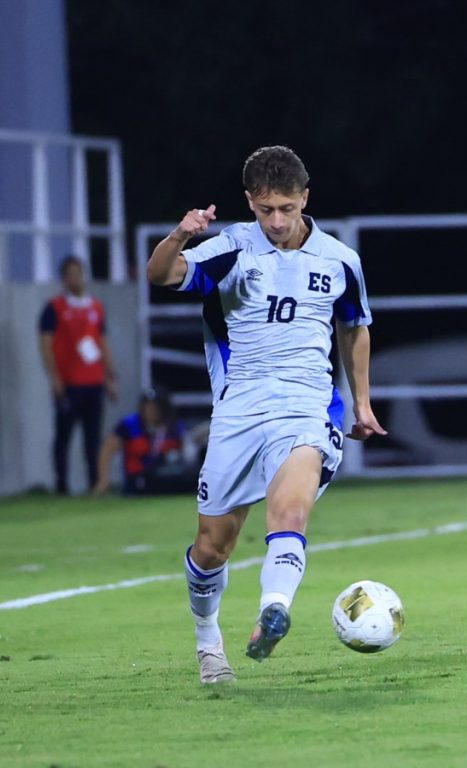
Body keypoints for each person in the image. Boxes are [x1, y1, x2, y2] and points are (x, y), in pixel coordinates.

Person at [147, 145, 386, 684]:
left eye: (286, 208)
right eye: (265, 210)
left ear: (305, 198)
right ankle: (209, 641)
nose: (276, 221)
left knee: (291, 512)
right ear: (250, 203)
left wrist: (362, 403)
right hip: (239, 413)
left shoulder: (339, 259)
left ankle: (274, 609)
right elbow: (162, 275)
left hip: (307, 409)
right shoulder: (230, 250)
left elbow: (354, 327)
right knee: (213, 547)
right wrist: (180, 236)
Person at [39, 254, 118, 494]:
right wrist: (54, 378)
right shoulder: (54, 308)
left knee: (92, 437)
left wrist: (110, 376)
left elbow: (101, 342)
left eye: (79, 273)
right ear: (64, 279)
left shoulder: (95, 306)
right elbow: (45, 344)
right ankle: (61, 484)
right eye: (71, 275)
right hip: (69, 383)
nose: (76, 279)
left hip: (93, 381)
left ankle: (96, 483)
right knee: (63, 436)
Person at [91, 386, 194, 496]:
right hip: (137, 482)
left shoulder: (174, 427)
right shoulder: (129, 425)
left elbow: (188, 452)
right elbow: (107, 448)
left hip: (167, 480)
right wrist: (103, 480)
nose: (150, 410)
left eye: (155, 407)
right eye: (147, 406)